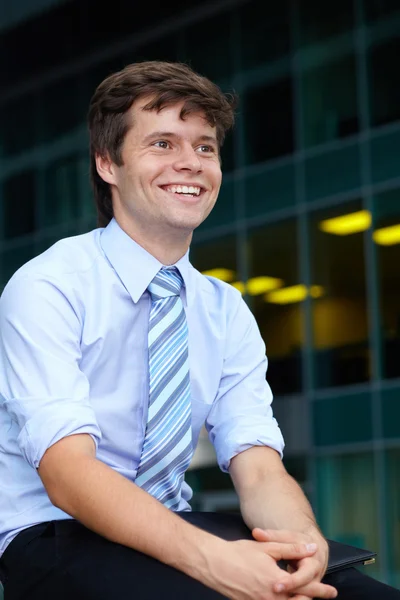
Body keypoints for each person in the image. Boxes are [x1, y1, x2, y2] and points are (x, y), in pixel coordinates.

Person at [0, 61, 398, 600]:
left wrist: (302, 546)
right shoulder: (49, 286)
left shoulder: (224, 308)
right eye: (162, 144)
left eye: (205, 147)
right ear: (106, 163)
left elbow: (257, 467)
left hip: (177, 523)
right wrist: (215, 563)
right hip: (53, 532)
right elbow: (69, 474)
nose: (191, 163)